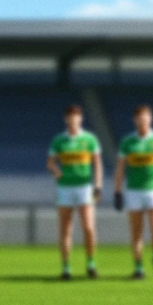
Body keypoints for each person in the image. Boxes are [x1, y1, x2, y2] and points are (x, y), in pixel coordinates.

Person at [113, 104, 153, 279]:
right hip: (134, 191)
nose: (143, 121)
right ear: (135, 120)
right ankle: (138, 268)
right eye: (139, 118)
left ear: (151, 119)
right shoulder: (127, 142)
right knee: (136, 231)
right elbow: (119, 169)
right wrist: (117, 192)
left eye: (145, 118)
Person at [46, 104, 103, 279]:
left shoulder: (89, 140)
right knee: (65, 229)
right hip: (65, 188)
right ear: (66, 119)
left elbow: (97, 164)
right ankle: (66, 268)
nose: (73, 120)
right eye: (70, 117)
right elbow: (50, 162)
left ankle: (91, 264)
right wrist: (57, 172)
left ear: (80, 119)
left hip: (84, 187)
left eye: (76, 117)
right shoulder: (59, 141)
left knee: (88, 227)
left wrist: (98, 185)